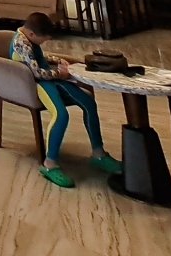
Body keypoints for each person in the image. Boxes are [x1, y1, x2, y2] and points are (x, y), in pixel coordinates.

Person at [9, 11, 122, 188]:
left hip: (51, 80)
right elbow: (37, 72)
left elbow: (39, 58)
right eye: (43, 40)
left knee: (88, 103)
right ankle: (49, 164)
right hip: (38, 83)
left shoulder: (28, 38)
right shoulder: (20, 43)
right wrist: (60, 74)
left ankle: (98, 154)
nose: (44, 42)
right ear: (32, 34)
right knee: (61, 115)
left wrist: (58, 60)